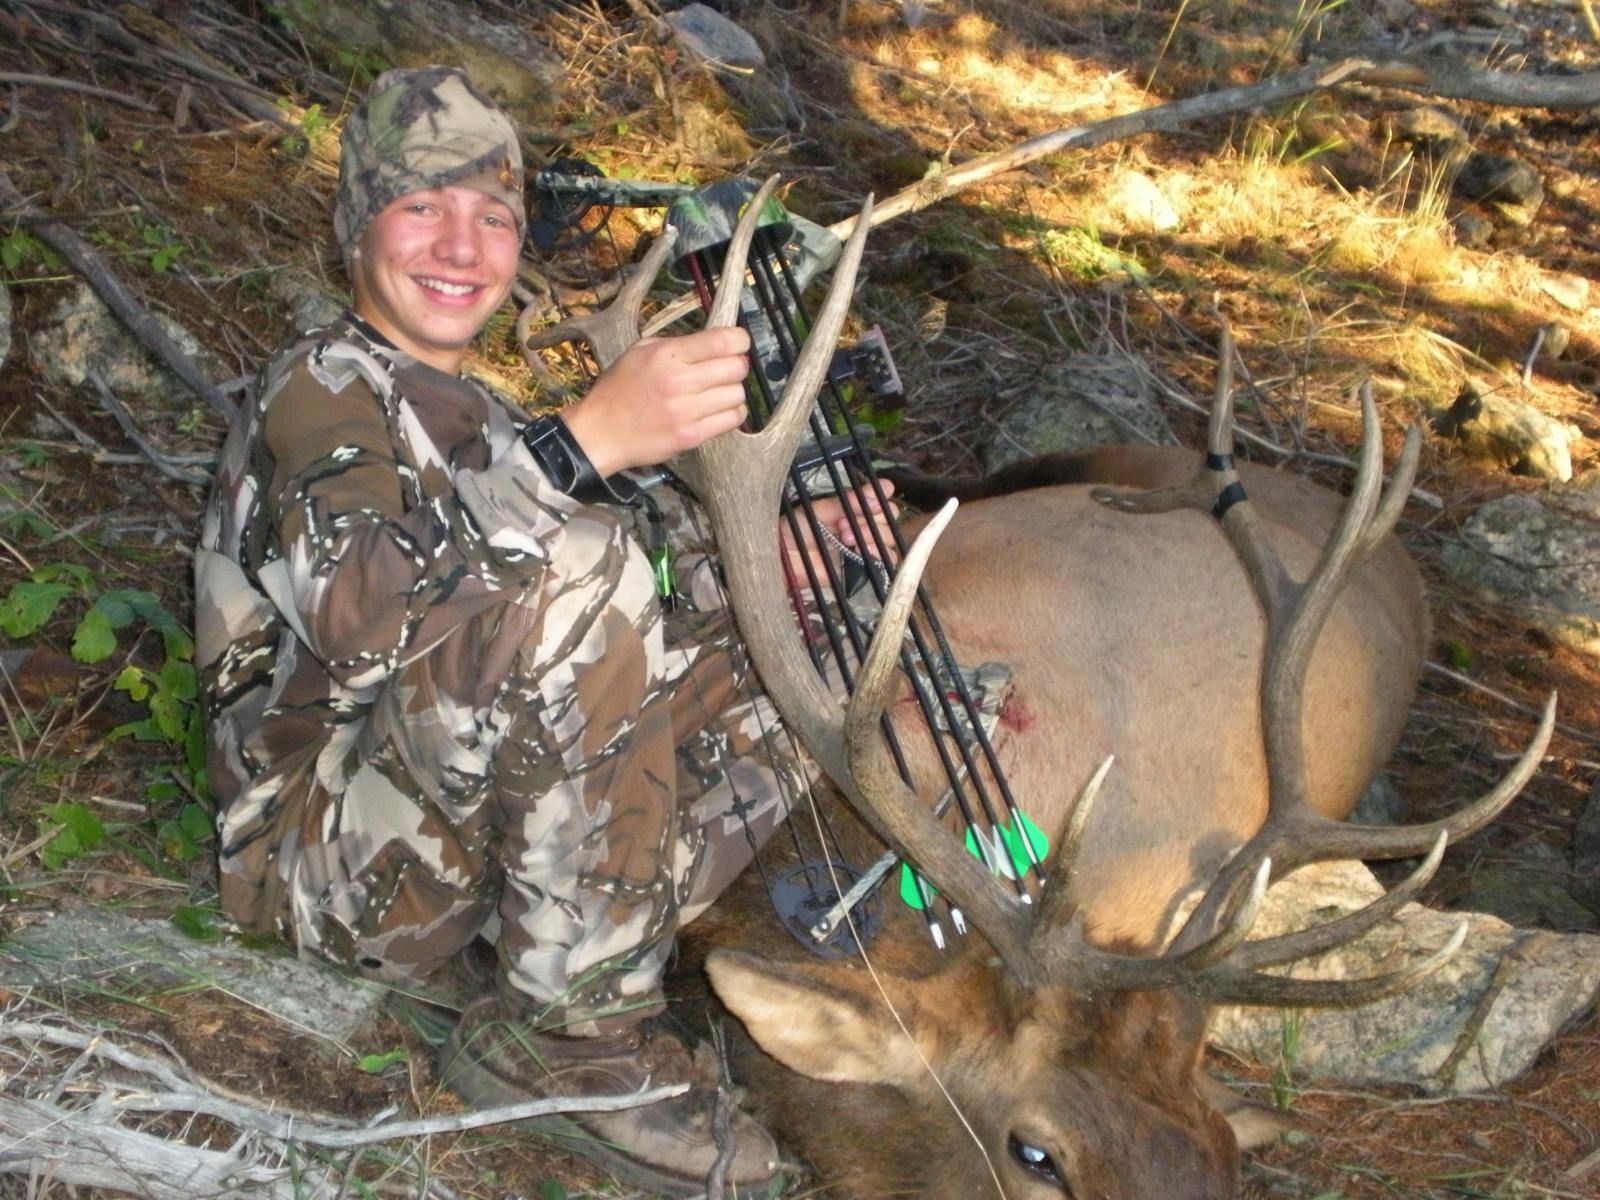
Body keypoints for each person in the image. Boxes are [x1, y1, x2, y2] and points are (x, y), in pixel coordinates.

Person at [194, 65, 890, 1197]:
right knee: (575, 555)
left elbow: (643, 615)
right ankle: (570, 1035)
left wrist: (791, 567)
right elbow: (358, 622)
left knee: (811, 625)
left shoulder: (487, 416)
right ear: (355, 226)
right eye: (422, 207)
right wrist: (580, 449)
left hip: (459, 854)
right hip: (322, 869)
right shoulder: (319, 389)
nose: (461, 247)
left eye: (495, 216)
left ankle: (556, 943)